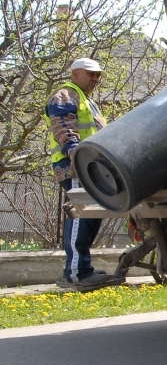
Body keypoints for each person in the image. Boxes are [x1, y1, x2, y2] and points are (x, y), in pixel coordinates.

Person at [45, 58, 124, 292]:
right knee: (81, 216)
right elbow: (62, 125)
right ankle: (76, 273)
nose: (96, 79)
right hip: (76, 166)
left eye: (98, 75)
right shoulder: (66, 95)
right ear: (76, 73)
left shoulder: (86, 100)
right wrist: (75, 151)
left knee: (91, 217)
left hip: (89, 167)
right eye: (91, 74)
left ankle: (82, 268)